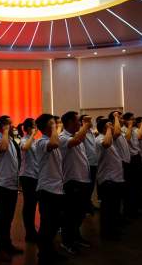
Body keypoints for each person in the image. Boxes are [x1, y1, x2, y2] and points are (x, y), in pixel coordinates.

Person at [59, 111, 92, 254]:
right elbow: (76, 141)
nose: (80, 123)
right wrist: (87, 125)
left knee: (80, 213)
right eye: (78, 121)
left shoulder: (77, 136)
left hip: (83, 179)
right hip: (72, 181)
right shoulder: (62, 138)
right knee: (70, 214)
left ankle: (76, 237)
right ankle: (67, 242)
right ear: (71, 123)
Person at [35, 113, 66, 264]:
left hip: (57, 188)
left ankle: (50, 252)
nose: (57, 124)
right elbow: (54, 143)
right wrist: (55, 127)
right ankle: (44, 256)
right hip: (47, 190)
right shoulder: (41, 142)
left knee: (54, 224)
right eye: (53, 123)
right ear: (47, 126)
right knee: (47, 225)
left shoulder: (52, 139)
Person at [0, 115, 23, 262]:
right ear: (4, 126)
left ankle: (7, 244)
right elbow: (2, 149)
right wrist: (5, 131)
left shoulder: (11, 141)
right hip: (3, 185)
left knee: (8, 218)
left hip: (12, 184)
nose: (14, 126)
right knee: (1, 219)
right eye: (10, 125)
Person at [95, 119, 124, 240]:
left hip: (115, 178)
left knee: (114, 207)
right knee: (107, 208)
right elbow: (106, 144)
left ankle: (113, 229)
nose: (112, 127)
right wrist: (108, 129)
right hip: (107, 179)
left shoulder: (109, 137)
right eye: (110, 125)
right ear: (104, 128)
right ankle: (106, 233)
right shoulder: (100, 139)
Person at [19, 118, 38, 243]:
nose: (36, 128)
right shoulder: (24, 140)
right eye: (34, 126)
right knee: (29, 206)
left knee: (34, 205)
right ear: (28, 129)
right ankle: (29, 232)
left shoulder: (35, 141)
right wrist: (32, 135)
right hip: (27, 176)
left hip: (36, 176)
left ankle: (33, 231)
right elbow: (25, 148)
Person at [108, 111, 131, 218]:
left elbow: (126, 138)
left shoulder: (121, 130)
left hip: (125, 163)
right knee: (120, 195)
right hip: (120, 165)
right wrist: (116, 117)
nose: (123, 120)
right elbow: (116, 134)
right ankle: (119, 215)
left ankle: (125, 212)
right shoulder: (114, 130)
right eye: (120, 118)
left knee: (126, 192)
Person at [121, 112, 142, 218]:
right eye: (131, 119)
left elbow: (139, 138)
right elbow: (127, 139)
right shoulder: (123, 129)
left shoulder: (134, 129)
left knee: (138, 185)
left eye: (134, 119)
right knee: (130, 187)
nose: (133, 121)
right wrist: (129, 126)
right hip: (130, 160)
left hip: (137, 157)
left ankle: (136, 208)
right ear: (125, 120)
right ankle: (128, 211)